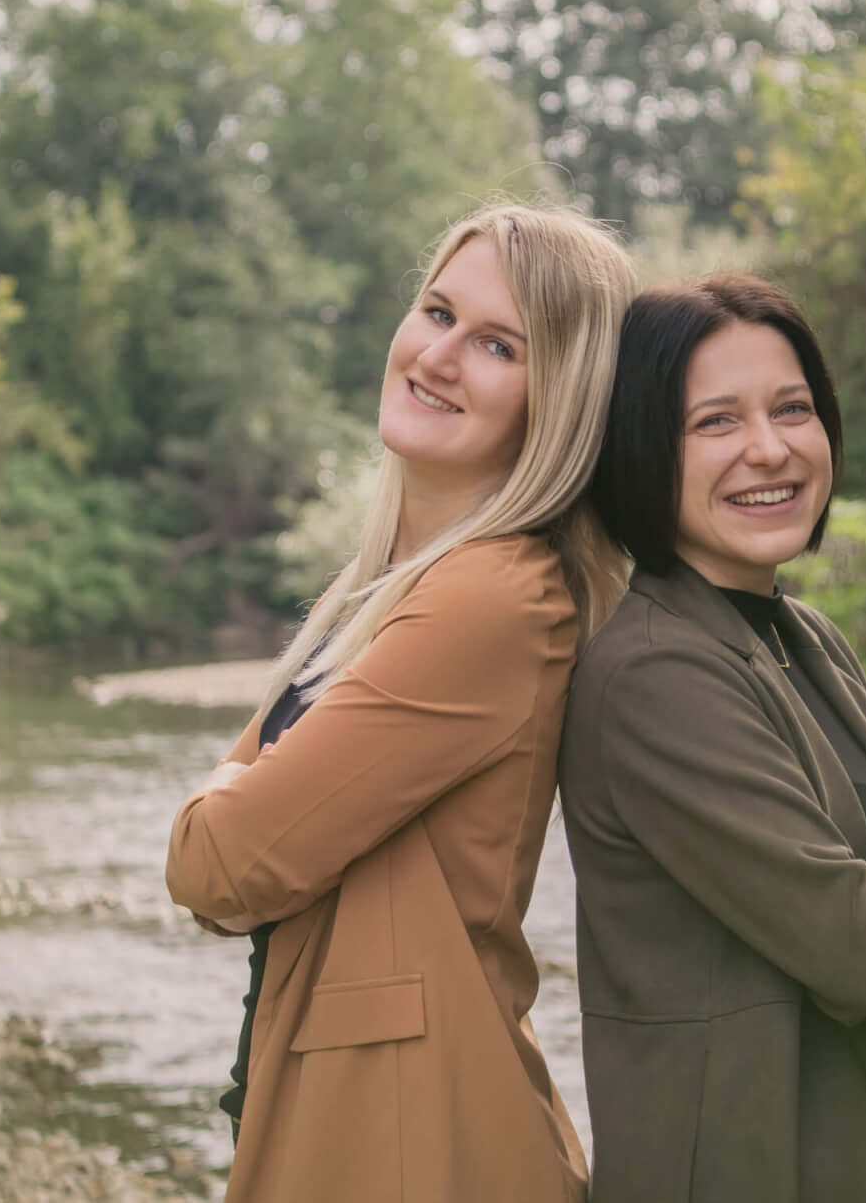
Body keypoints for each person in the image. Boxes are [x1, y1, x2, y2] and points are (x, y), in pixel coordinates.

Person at [166, 201, 636, 1203]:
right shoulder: (394, 585)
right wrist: (237, 809)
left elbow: (219, 860)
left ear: (556, 402)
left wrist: (225, 791)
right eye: (435, 312)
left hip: (412, 1138)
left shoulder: (493, 596)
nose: (440, 355)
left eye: (499, 345)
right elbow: (233, 864)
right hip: (354, 1101)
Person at [560, 272, 866, 1203]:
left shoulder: (806, 639)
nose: (769, 450)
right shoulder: (653, 672)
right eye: (716, 423)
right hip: (751, 1162)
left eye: (793, 409)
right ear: (647, 448)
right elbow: (864, 945)